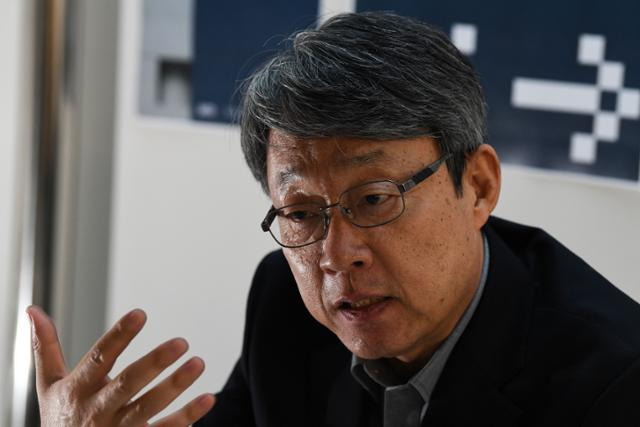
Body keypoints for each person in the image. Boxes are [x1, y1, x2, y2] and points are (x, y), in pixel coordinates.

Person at [29, 11, 640, 427]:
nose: (336, 255)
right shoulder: (285, 305)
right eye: (300, 213)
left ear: (477, 187)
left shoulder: (615, 386)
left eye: (373, 199)